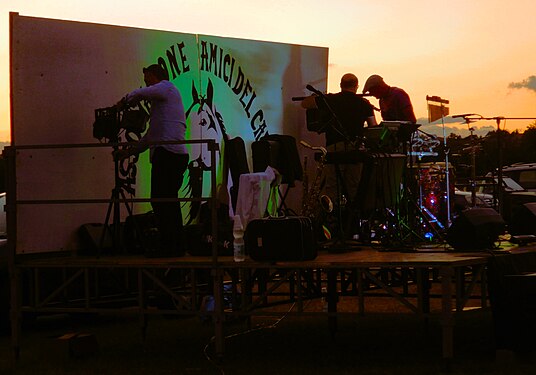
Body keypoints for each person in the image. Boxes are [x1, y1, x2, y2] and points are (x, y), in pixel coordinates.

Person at [115, 64, 189, 257]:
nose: (146, 82)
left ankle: (171, 245)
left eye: (148, 77)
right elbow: (150, 137)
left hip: (167, 154)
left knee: (162, 199)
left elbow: (145, 92)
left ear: (156, 76)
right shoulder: (162, 109)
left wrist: (124, 102)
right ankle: (173, 244)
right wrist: (128, 152)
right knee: (166, 200)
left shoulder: (167, 88)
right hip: (171, 154)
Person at [301, 73, 377, 239]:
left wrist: (315, 97)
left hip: (334, 149)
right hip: (355, 151)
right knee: (354, 189)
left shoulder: (330, 99)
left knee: (332, 189)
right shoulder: (364, 103)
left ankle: (332, 228)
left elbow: (304, 104)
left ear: (341, 84)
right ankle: (353, 229)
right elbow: (373, 127)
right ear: (356, 86)